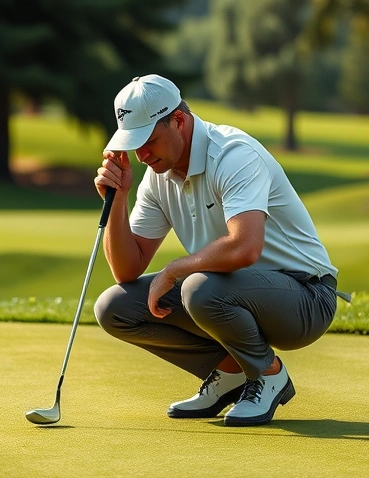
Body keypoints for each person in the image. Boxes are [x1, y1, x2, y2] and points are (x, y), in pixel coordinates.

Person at [92, 74, 349, 427]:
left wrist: (175, 269)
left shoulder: (232, 153)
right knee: (114, 307)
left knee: (198, 287)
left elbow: (245, 248)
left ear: (178, 121)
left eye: (149, 140)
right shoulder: (157, 176)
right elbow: (127, 270)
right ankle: (230, 372)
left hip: (306, 297)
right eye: (134, 144)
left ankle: (268, 374)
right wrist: (119, 197)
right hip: (230, 293)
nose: (141, 155)